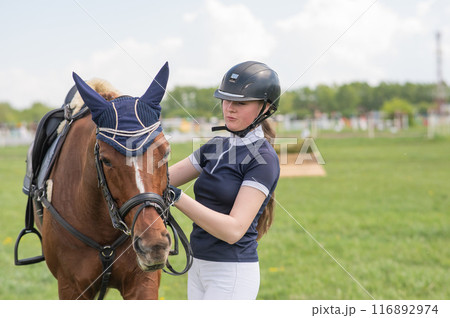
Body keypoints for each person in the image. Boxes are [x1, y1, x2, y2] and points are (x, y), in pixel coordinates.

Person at [168, 61, 281, 300]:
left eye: (240, 103)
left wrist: (177, 198)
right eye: (226, 99)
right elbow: (163, 179)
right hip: (197, 265)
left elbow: (234, 230)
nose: (229, 108)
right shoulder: (215, 146)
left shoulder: (264, 158)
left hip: (231, 273)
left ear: (266, 106)